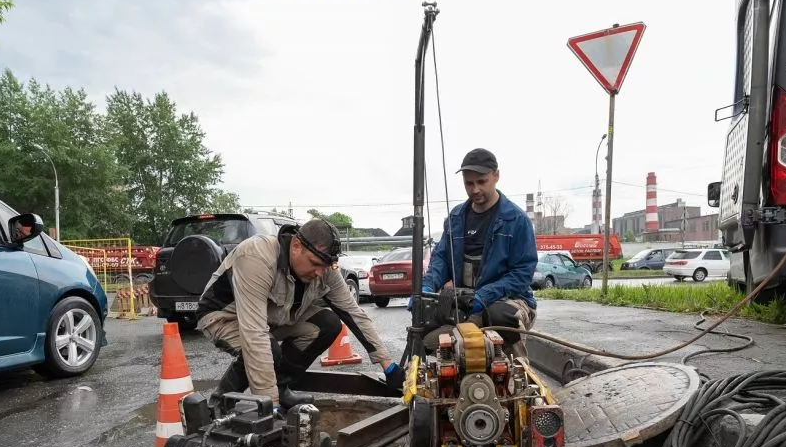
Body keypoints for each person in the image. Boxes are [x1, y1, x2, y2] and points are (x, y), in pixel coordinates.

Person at [196, 218, 405, 411]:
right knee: (267, 349)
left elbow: (354, 313)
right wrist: (269, 406)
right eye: (315, 264)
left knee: (328, 324)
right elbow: (255, 335)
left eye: (325, 266)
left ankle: (281, 388)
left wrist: (388, 365)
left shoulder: (324, 267)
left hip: (274, 317)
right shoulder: (257, 256)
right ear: (296, 246)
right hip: (224, 317)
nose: (320, 273)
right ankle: (219, 404)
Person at [416, 148, 538, 357]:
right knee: (424, 334)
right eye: (469, 183)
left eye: (481, 181)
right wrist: (426, 288)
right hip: (464, 303)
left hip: (509, 301)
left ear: (496, 176)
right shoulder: (456, 218)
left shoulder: (516, 220)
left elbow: (522, 274)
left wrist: (483, 296)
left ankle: (518, 369)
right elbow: (441, 259)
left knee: (499, 319)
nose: (475, 189)